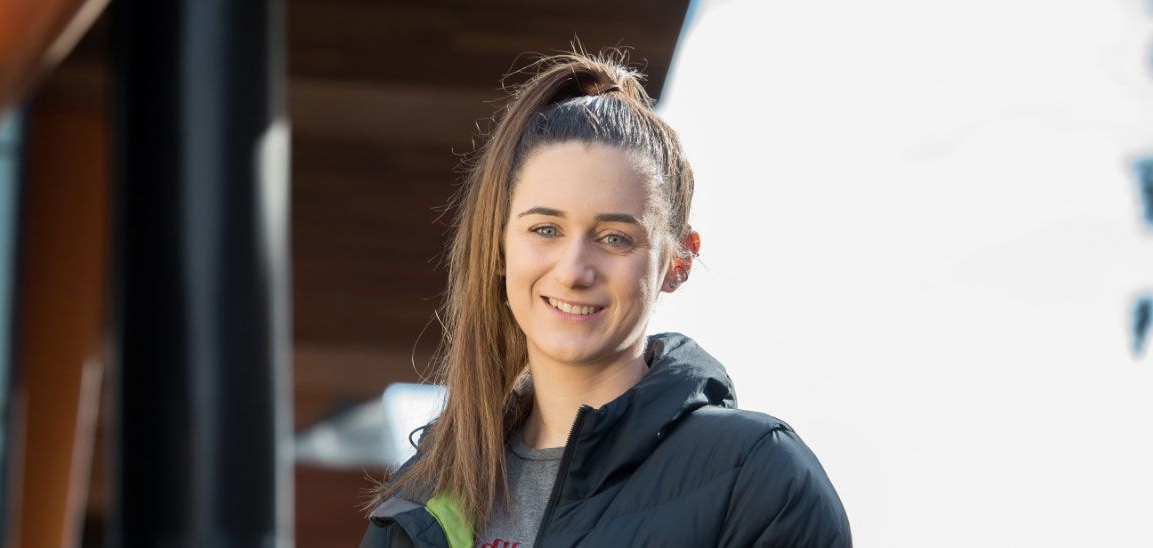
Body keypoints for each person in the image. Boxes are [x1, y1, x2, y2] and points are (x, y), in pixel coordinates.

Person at [359, 50, 851, 548]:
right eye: (545, 229)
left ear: (677, 262)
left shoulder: (758, 480)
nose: (573, 271)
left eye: (615, 237)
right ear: (500, 247)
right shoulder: (421, 499)